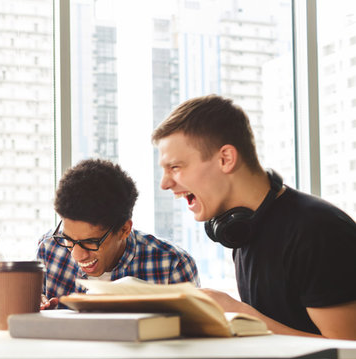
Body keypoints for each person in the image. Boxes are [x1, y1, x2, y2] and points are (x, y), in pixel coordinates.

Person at [152, 94, 356, 339]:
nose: (164, 184)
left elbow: (347, 349)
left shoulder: (318, 231)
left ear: (226, 159)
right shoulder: (241, 231)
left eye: (175, 167)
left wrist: (241, 314)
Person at [38, 159, 198, 309]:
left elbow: (194, 328)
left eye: (90, 242)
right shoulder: (48, 249)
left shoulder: (173, 264)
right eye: (68, 239)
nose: (77, 255)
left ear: (124, 230)